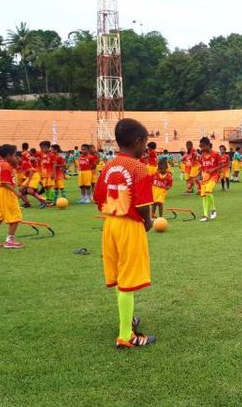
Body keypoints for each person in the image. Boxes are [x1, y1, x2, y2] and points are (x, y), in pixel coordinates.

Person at [94, 118, 156, 349]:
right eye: (145, 143)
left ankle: (126, 320)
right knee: (129, 280)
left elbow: (98, 197)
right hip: (129, 225)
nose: (145, 148)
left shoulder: (109, 166)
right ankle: (126, 336)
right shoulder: (138, 167)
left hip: (110, 224)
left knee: (121, 276)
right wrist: (148, 220)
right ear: (138, 141)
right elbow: (141, 203)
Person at [0, 144, 24, 250]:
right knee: (15, 216)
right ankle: (10, 240)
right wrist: (16, 192)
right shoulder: (6, 165)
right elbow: (5, 182)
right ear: (8, 155)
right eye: (14, 155)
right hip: (6, 192)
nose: (15, 157)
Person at [198, 137, 225, 222]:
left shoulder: (215, 154)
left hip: (214, 176)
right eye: (200, 146)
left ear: (209, 145)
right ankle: (205, 215)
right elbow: (202, 167)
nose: (201, 148)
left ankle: (213, 209)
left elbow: (222, 165)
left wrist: (214, 169)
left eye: (203, 146)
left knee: (208, 191)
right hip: (205, 177)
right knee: (204, 196)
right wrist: (199, 175)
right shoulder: (202, 156)